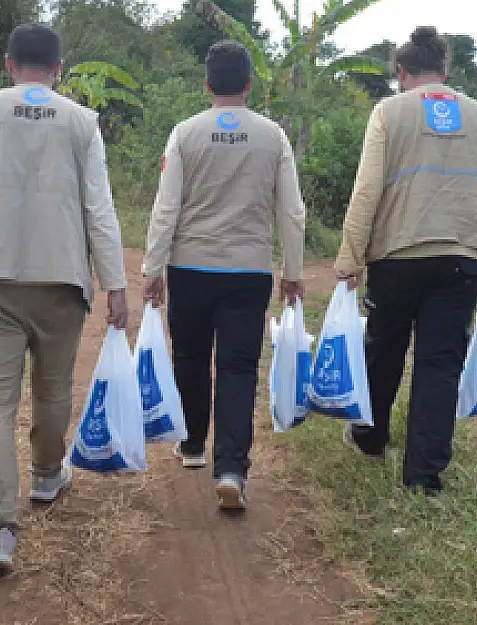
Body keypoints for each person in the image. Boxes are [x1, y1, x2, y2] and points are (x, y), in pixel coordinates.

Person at [0, 23, 129, 571]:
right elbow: (99, 211)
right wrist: (116, 285)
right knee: (54, 388)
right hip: (62, 279)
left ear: (9, 65)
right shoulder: (82, 121)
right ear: (58, 69)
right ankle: (44, 478)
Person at [334, 26, 477, 496]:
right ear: (446, 69)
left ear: (402, 73)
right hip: (464, 256)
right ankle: (424, 477)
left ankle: (370, 437)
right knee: (440, 362)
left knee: (384, 347)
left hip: (397, 255)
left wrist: (350, 258)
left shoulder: (389, 113)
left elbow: (367, 189)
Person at [141, 40, 306, 510]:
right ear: (249, 84)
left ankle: (193, 444)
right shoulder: (273, 136)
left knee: (190, 357)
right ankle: (231, 468)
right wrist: (292, 273)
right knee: (237, 369)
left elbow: (166, 207)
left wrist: (154, 268)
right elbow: (291, 212)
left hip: (190, 268)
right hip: (247, 270)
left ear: (207, 83)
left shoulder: (185, 133)